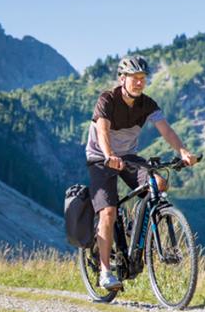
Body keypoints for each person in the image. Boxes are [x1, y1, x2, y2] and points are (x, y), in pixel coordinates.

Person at [85, 55, 198, 290]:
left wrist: (183, 151)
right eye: (134, 78)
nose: (139, 82)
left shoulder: (147, 104)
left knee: (159, 183)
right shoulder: (107, 99)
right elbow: (103, 131)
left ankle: (134, 226)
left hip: (128, 157)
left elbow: (166, 130)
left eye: (143, 78)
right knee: (108, 211)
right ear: (122, 78)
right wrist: (108, 155)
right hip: (101, 157)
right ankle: (106, 272)